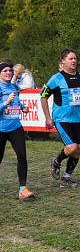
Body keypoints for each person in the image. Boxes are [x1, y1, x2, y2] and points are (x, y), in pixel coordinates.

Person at [41, 49, 80, 187]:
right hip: (61, 119)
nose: (73, 61)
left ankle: (66, 179)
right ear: (63, 61)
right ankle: (56, 161)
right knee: (72, 147)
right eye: (70, 59)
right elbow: (43, 96)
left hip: (76, 120)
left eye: (75, 58)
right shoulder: (56, 78)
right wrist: (48, 118)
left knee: (79, 149)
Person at [0, 62, 34, 199]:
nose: (8, 73)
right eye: (5, 71)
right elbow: (7, 103)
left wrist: (22, 107)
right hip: (1, 129)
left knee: (22, 156)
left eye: (10, 70)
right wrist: (5, 103)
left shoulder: (15, 87)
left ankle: (23, 188)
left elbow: (17, 102)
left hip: (15, 126)